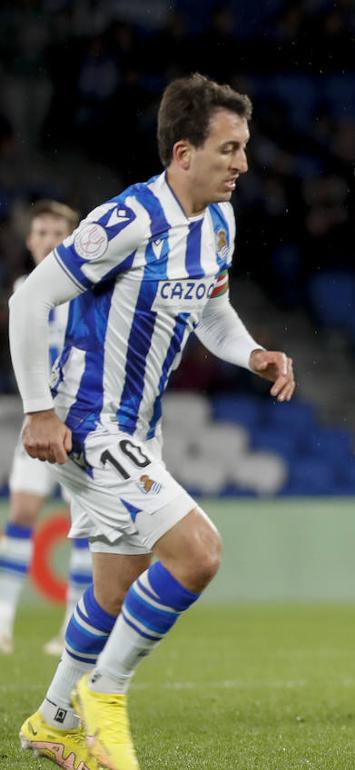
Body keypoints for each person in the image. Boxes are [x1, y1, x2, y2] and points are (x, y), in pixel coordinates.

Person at [11, 73, 296, 770]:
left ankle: (50, 720)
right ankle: (105, 696)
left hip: (139, 429)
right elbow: (28, 301)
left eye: (245, 148)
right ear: (182, 153)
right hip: (88, 424)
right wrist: (39, 410)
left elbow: (210, 311)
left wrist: (251, 352)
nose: (243, 163)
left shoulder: (220, 221)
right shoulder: (126, 220)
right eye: (229, 148)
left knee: (113, 588)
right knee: (198, 554)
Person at [0, 200, 93, 659]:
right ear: (30, 240)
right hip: (38, 421)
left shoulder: (89, 289)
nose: (50, 240)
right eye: (42, 232)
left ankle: (71, 631)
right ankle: (2, 623)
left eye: (59, 233)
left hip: (81, 424)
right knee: (20, 513)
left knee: (83, 526)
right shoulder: (21, 289)